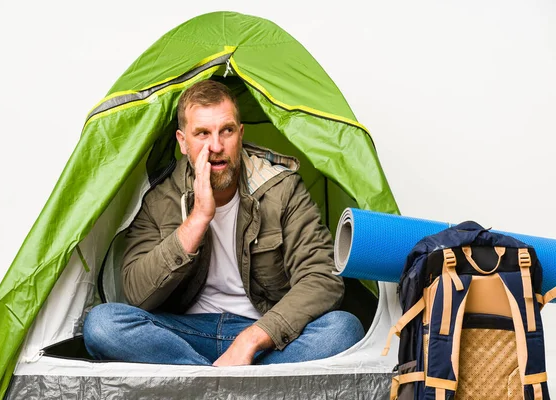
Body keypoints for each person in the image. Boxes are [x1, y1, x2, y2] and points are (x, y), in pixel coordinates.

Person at [83, 80, 364, 366]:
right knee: (102, 324)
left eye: (226, 131)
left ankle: (200, 383)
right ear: (183, 142)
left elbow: (322, 279)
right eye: (202, 133)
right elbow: (136, 294)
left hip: (265, 336)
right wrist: (198, 218)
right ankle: (235, 384)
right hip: (184, 335)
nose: (216, 146)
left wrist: (252, 339)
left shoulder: (281, 188)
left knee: (343, 329)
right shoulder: (159, 197)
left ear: (240, 134)